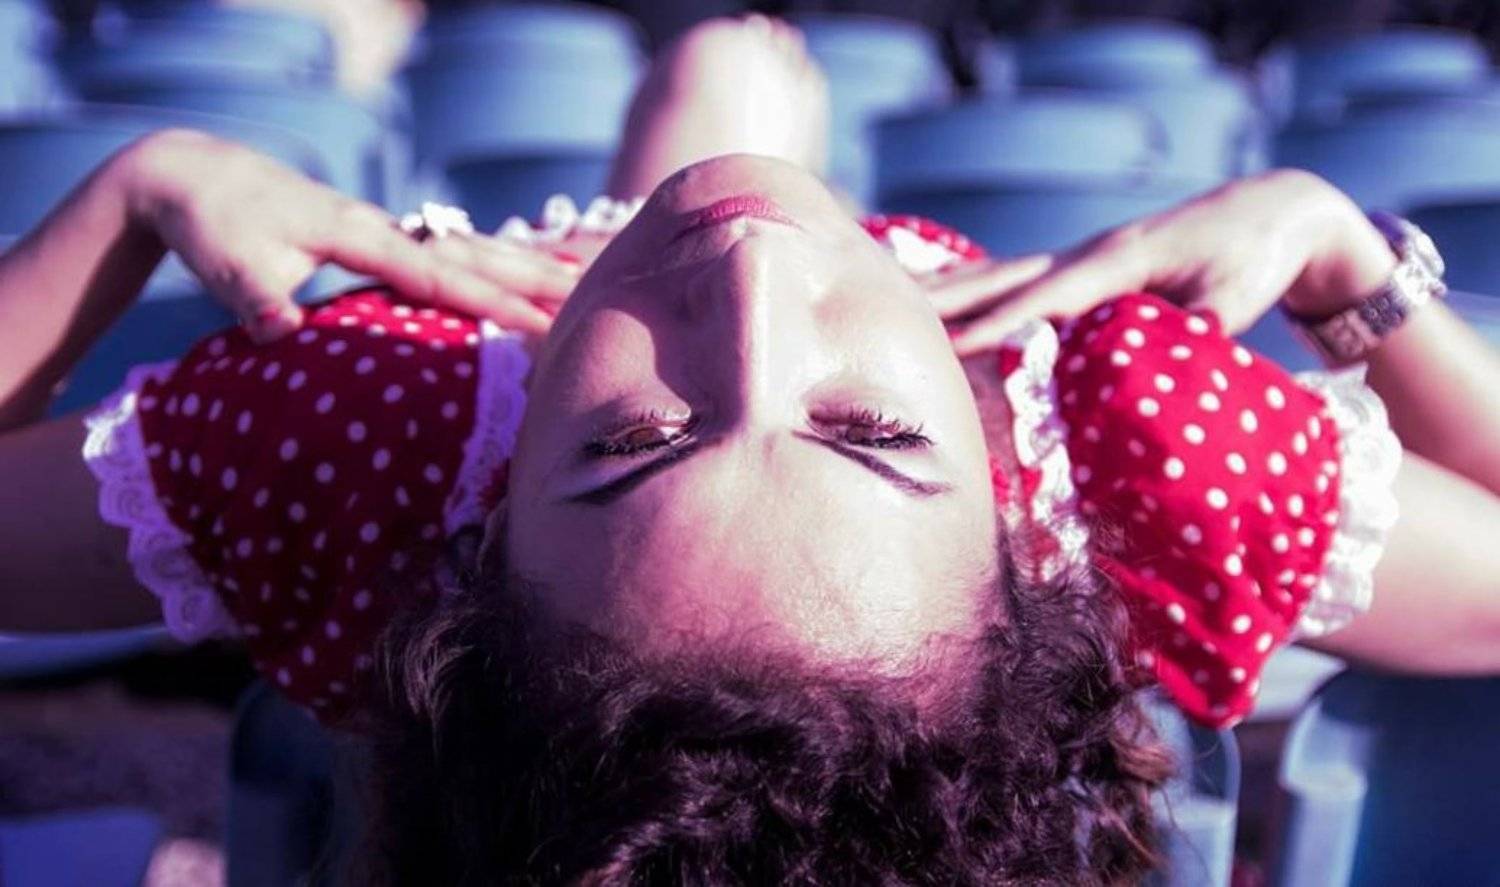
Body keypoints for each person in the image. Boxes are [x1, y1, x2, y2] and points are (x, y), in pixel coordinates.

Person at [1, 14, 1497, 883]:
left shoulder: (363, 433)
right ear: (1033, 541)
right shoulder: (1150, 446)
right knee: (743, 59)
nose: (752, 285)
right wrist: (1340, 260)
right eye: (874, 430)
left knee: (726, 60)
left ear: (482, 529)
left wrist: (138, 190)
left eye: (634, 437)